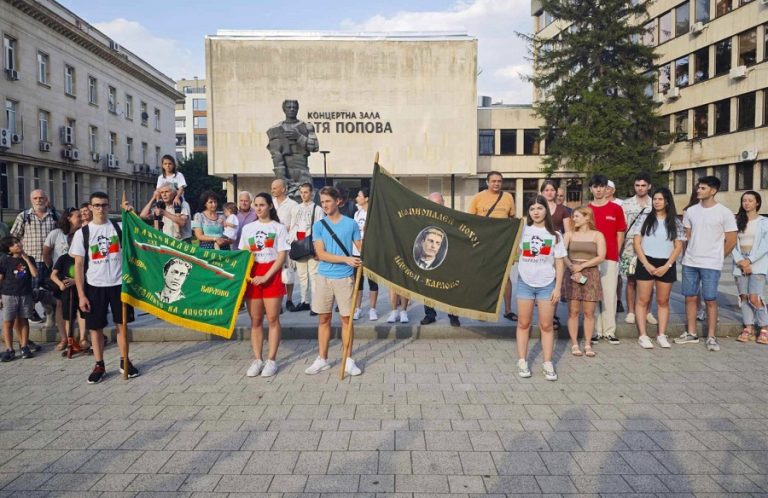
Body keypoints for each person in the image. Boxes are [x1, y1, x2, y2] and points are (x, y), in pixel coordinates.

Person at [70, 192, 137, 383]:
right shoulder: (83, 233)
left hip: (118, 285)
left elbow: (142, 232)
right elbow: (79, 266)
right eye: (97, 205)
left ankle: (125, 361)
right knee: (95, 328)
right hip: (94, 286)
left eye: (104, 205)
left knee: (121, 326)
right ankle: (99, 364)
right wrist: (81, 295)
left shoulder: (119, 227)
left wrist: (131, 214)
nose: (100, 209)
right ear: (90, 207)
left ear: (109, 206)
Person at [304, 186, 363, 376]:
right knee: (324, 318)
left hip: (345, 278)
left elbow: (361, 248)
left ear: (338, 201)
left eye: (328, 201)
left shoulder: (351, 224)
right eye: (322, 202)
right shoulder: (319, 226)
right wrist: (346, 259)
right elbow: (321, 254)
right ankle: (322, 358)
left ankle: (348, 359)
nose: (325, 205)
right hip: (324, 277)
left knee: (347, 320)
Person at [676, 176, 737, 351]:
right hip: (690, 262)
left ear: (713, 191)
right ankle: (691, 333)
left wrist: (718, 257)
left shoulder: (724, 212)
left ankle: (711, 336)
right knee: (690, 297)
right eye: (698, 187)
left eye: (702, 188)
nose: (698, 191)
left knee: (710, 299)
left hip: (711, 264)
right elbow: (687, 236)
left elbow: (731, 240)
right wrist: (685, 254)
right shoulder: (691, 211)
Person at [515, 195, 566, 381]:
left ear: (546, 210)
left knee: (546, 325)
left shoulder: (556, 235)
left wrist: (558, 288)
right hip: (525, 284)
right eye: (532, 209)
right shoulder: (522, 232)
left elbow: (560, 263)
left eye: (539, 208)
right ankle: (522, 360)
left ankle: (547, 362)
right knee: (523, 323)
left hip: (547, 285)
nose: (536, 212)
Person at [240, 193, 289, 378]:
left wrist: (267, 276)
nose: (258, 208)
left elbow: (281, 256)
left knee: (273, 318)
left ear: (270, 206)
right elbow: (244, 253)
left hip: (272, 275)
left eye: (262, 205)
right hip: (253, 276)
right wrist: (249, 275)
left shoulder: (278, 228)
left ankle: (271, 360)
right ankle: (257, 359)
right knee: (255, 320)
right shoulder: (248, 229)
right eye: (256, 205)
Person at [630, 187, 685, 349]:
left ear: (667, 201)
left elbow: (678, 246)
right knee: (643, 300)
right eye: (655, 199)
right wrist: (646, 263)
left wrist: (667, 265)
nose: (657, 202)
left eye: (660, 199)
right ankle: (643, 335)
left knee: (663, 300)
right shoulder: (644, 218)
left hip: (666, 263)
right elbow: (636, 243)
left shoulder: (675, 221)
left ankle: (661, 334)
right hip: (645, 261)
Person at [468, 171, 517, 321]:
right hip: (484, 244)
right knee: (483, 277)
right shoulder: (477, 198)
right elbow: (470, 221)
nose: (496, 184)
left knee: (505, 276)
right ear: (487, 182)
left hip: (502, 244)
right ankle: (482, 311)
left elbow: (512, 220)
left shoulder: (508, 197)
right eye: (494, 181)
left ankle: (508, 310)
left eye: (499, 181)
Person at [587, 175, 626, 344]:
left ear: (607, 189)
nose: (599, 189)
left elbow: (620, 234)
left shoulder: (616, 209)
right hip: (591, 259)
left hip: (610, 258)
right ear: (591, 189)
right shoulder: (586, 210)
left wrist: (615, 254)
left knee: (609, 295)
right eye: (595, 187)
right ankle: (596, 330)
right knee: (594, 296)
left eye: (602, 186)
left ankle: (609, 331)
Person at [10, 189, 58, 324]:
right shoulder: (24, 216)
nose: (39, 200)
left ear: (46, 199)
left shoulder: (54, 216)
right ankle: (29, 313)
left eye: (41, 198)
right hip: (29, 262)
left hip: (49, 261)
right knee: (29, 290)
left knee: (50, 290)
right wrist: (17, 256)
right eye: (35, 198)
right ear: (31, 200)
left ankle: (50, 314)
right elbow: (13, 237)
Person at [564, 207, 606, 357]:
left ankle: (588, 343)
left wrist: (582, 266)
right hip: (572, 273)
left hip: (591, 272)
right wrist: (572, 268)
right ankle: (575, 343)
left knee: (589, 312)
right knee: (573, 311)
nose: (573, 219)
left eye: (577, 216)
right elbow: (562, 254)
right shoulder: (569, 234)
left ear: (587, 217)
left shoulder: (597, 235)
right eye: (573, 216)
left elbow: (601, 256)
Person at [43, 207, 83, 350]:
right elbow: (46, 252)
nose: (81, 218)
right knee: (60, 306)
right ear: (69, 218)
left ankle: (82, 338)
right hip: (61, 277)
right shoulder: (56, 233)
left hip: (79, 276)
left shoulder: (83, 232)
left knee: (80, 306)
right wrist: (53, 271)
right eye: (78, 216)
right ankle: (64, 338)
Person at [620, 172, 657, 326]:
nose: (640, 188)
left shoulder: (654, 203)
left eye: (643, 185)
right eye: (637, 185)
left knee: (650, 282)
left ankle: (647, 311)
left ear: (649, 186)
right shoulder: (626, 204)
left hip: (650, 246)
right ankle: (631, 311)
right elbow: (622, 228)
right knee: (631, 281)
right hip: (630, 247)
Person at [732, 191, 768, 344]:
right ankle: (748, 328)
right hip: (740, 262)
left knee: (755, 297)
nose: (746, 203)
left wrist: (750, 261)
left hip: (757, 262)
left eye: (750, 200)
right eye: (744, 200)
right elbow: (731, 242)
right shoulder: (736, 221)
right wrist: (740, 261)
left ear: (757, 203)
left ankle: (764, 327)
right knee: (744, 297)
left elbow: (765, 244)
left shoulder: (764, 221)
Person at [420, 192, 460, 327]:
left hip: (448, 257)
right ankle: (430, 314)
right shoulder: (423, 217)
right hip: (429, 258)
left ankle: (453, 315)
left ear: (443, 203)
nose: (436, 206)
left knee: (450, 287)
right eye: (433, 203)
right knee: (428, 286)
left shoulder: (452, 218)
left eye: (438, 203)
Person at [266, 99, 319, 197]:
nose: (292, 109)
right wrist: (282, 177)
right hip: (286, 172)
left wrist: (299, 137)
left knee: (308, 200)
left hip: (303, 171)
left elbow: (314, 147)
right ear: (284, 109)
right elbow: (276, 155)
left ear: (298, 109)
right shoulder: (275, 130)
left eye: (294, 107)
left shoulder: (307, 127)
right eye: (289, 107)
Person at [0, 236, 38, 361]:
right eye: (13, 244)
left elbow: (35, 274)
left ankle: (24, 346)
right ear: (9, 250)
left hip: (25, 294)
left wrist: (27, 260)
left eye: (17, 242)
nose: (17, 244)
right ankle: (10, 349)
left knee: (24, 320)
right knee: (8, 322)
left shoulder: (29, 258)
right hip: (9, 294)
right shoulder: (5, 261)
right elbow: (1, 278)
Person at [50, 233, 89, 354]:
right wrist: (60, 284)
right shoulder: (63, 258)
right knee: (68, 317)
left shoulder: (85, 258)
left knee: (83, 314)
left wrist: (76, 281)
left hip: (82, 290)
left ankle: (83, 338)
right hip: (67, 292)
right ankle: (69, 339)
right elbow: (53, 275)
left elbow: (89, 274)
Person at [289, 183, 323, 314]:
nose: (303, 195)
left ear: (311, 193)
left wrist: (317, 247)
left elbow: (319, 229)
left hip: (311, 245)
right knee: (302, 275)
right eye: (301, 192)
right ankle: (304, 301)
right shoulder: (296, 209)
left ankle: (315, 303)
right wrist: (292, 242)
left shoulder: (317, 209)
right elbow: (293, 226)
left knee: (314, 275)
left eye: (306, 192)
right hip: (298, 245)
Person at [351, 187, 379, 321]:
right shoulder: (357, 214)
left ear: (366, 198)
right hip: (356, 252)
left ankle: (373, 309)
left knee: (372, 281)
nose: (357, 198)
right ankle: (358, 308)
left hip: (371, 252)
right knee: (358, 281)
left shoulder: (374, 214)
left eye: (359, 195)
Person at [272, 179, 298, 311]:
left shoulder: (293, 204)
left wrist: (286, 229)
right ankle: (278, 302)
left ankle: (289, 300)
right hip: (272, 244)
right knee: (276, 273)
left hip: (287, 244)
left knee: (288, 272)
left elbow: (296, 223)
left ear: (283, 189)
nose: (273, 190)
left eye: (275, 188)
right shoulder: (270, 203)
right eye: (272, 188)